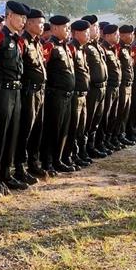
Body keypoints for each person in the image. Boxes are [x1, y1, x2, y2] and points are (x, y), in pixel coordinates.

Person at [0, 1, 31, 194]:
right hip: (2, 92)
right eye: (20, 17)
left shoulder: (16, 39)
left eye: (25, 18)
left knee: (12, 133)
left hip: (15, 91)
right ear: (9, 16)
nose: (23, 21)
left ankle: (6, 173)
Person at [14, 8, 47, 183]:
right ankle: (19, 167)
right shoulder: (22, 42)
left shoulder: (37, 42)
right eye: (40, 23)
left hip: (39, 91)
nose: (42, 26)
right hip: (28, 92)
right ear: (29, 23)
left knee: (37, 130)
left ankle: (33, 163)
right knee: (25, 130)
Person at [42, 15, 76, 173]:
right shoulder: (49, 46)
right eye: (66, 28)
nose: (68, 31)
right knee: (52, 129)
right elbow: (42, 67)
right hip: (55, 94)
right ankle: (47, 162)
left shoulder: (65, 46)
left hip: (67, 95)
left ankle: (58, 159)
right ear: (55, 28)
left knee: (63, 129)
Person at [64, 20, 91, 168]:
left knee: (80, 127)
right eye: (85, 32)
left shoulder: (81, 49)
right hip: (74, 95)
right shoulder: (71, 48)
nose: (88, 35)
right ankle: (69, 156)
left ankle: (78, 154)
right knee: (72, 128)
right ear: (77, 33)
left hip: (83, 94)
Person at [83, 15, 108, 159]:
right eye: (95, 27)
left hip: (101, 88)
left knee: (96, 121)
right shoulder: (85, 47)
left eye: (98, 27)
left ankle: (91, 147)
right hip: (91, 89)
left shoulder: (97, 46)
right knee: (87, 122)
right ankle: (83, 150)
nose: (97, 30)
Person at [97, 24, 121, 154]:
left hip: (116, 87)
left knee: (113, 116)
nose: (118, 36)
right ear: (107, 35)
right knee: (104, 117)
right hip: (108, 87)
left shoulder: (113, 49)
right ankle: (100, 142)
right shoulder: (103, 49)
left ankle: (108, 140)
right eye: (116, 34)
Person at [114, 25, 134, 149]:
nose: (132, 36)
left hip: (128, 85)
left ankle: (121, 135)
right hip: (121, 86)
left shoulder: (127, 48)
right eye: (129, 34)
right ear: (122, 35)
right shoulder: (118, 48)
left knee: (125, 113)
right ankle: (115, 137)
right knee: (118, 113)